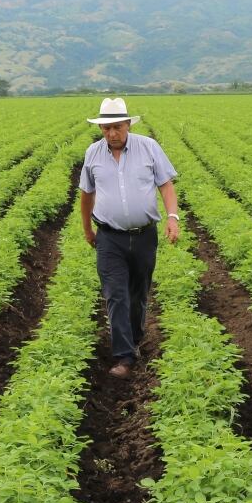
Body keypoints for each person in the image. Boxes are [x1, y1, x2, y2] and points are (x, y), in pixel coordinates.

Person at [78, 97, 180, 378]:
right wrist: (87, 229)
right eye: (106, 128)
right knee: (115, 295)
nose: (112, 133)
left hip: (145, 235)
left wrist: (172, 218)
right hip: (110, 238)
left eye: (117, 127)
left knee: (137, 294)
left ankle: (134, 339)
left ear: (127, 125)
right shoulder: (93, 154)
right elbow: (86, 195)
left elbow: (166, 185)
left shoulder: (149, 148)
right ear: (101, 129)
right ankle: (124, 357)